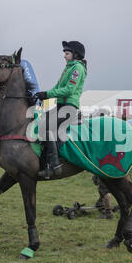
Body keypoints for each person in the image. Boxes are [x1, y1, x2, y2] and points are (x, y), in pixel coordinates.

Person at [34, 40, 87, 178]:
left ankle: (55, 165)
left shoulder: (77, 69)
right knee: (40, 124)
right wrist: (44, 94)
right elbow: (57, 88)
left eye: (67, 53)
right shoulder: (68, 68)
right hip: (60, 105)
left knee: (47, 127)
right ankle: (43, 163)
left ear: (75, 55)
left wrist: (48, 94)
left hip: (69, 107)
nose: (64, 56)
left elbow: (69, 90)